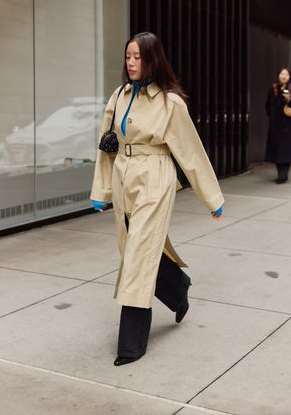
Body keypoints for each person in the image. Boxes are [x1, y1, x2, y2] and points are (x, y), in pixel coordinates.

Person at [90, 32, 224, 366]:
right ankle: (178, 288)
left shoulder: (169, 103)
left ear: (153, 59)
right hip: (123, 174)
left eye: (138, 57)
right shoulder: (119, 95)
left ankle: (131, 344)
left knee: (137, 256)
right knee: (136, 247)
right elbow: (106, 144)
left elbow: (191, 152)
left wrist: (212, 197)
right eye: (127, 57)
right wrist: (101, 190)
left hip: (154, 176)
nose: (131, 63)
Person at [265, 67, 291, 183]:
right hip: (276, 124)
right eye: (282, 74)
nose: (284, 76)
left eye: (286, 74)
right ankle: (280, 174)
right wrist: (272, 115)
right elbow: (267, 105)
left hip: (288, 125)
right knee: (277, 150)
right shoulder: (273, 88)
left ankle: (283, 175)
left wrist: (288, 100)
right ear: (278, 75)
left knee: (286, 151)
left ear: (290, 77)